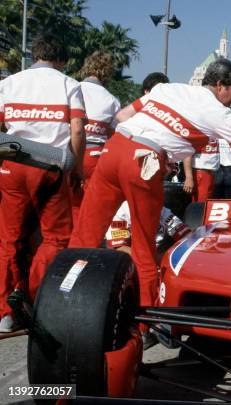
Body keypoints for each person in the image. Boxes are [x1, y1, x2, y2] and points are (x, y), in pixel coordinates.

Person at [69, 59, 231, 320]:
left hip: (114, 149)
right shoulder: (220, 114)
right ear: (220, 85)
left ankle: (64, 294)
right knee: (143, 248)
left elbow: (122, 117)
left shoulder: (166, 88)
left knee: (85, 234)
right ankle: (146, 322)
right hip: (144, 160)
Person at [0, 35, 86, 332]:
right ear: (61, 59)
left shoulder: (10, 83)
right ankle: (36, 298)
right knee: (56, 238)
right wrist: (76, 167)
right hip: (51, 164)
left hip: (12, 162)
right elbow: (77, 130)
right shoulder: (68, 84)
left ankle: (6, 311)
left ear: (35, 54)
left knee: (10, 239)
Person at [71, 51, 121, 221]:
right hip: (95, 157)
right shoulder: (112, 100)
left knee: (68, 206)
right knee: (91, 208)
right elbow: (113, 136)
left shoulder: (71, 87)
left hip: (70, 151)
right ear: (107, 72)